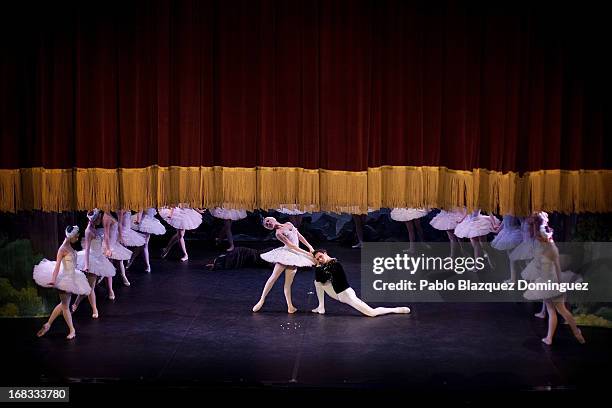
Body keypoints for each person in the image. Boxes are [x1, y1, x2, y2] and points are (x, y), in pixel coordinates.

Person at [521, 223, 585, 346]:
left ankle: (567, 334)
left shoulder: (546, 250)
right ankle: (568, 334)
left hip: (550, 283)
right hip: (549, 282)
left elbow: (552, 268)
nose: (537, 239)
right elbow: (551, 268)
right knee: (557, 310)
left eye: (539, 237)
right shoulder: (549, 249)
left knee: (557, 310)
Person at [311, 249, 411, 317]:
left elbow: (324, 277)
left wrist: (319, 267)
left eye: (320, 256)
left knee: (372, 313)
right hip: (337, 294)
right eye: (318, 259)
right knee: (317, 282)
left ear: (325, 253)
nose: (320, 259)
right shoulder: (327, 265)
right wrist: (319, 266)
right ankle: (321, 307)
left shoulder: (335, 264)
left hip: (346, 295)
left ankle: (396, 309)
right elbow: (320, 279)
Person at [33, 226, 91, 340]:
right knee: (65, 306)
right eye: (76, 236)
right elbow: (57, 266)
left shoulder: (69, 246)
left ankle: (48, 324)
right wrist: (54, 280)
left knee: (64, 304)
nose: (78, 238)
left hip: (73, 275)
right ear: (70, 236)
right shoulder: (62, 249)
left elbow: (72, 261)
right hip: (65, 278)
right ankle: (72, 330)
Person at [252, 217, 315, 313]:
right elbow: (291, 245)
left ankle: (290, 307)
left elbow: (299, 236)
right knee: (273, 277)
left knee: (288, 283)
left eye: (268, 221)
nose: (268, 223)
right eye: (266, 224)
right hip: (286, 254)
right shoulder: (278, 233)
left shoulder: (289, 224)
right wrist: (306, 253)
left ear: (273, 219)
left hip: (295, 256)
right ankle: (261, 300)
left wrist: (309, 246)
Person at [73, 209, 116, 317]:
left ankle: (75, 304)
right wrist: (87, 264)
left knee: (89, 286)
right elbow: (87, 249)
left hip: (98, 257)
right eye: (99, 218)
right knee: (91, 287)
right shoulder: (88, 231)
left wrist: (106, 250)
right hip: (91, 259)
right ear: (96, 219)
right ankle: (94, 310)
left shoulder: (94, 228)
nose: (100, 220)